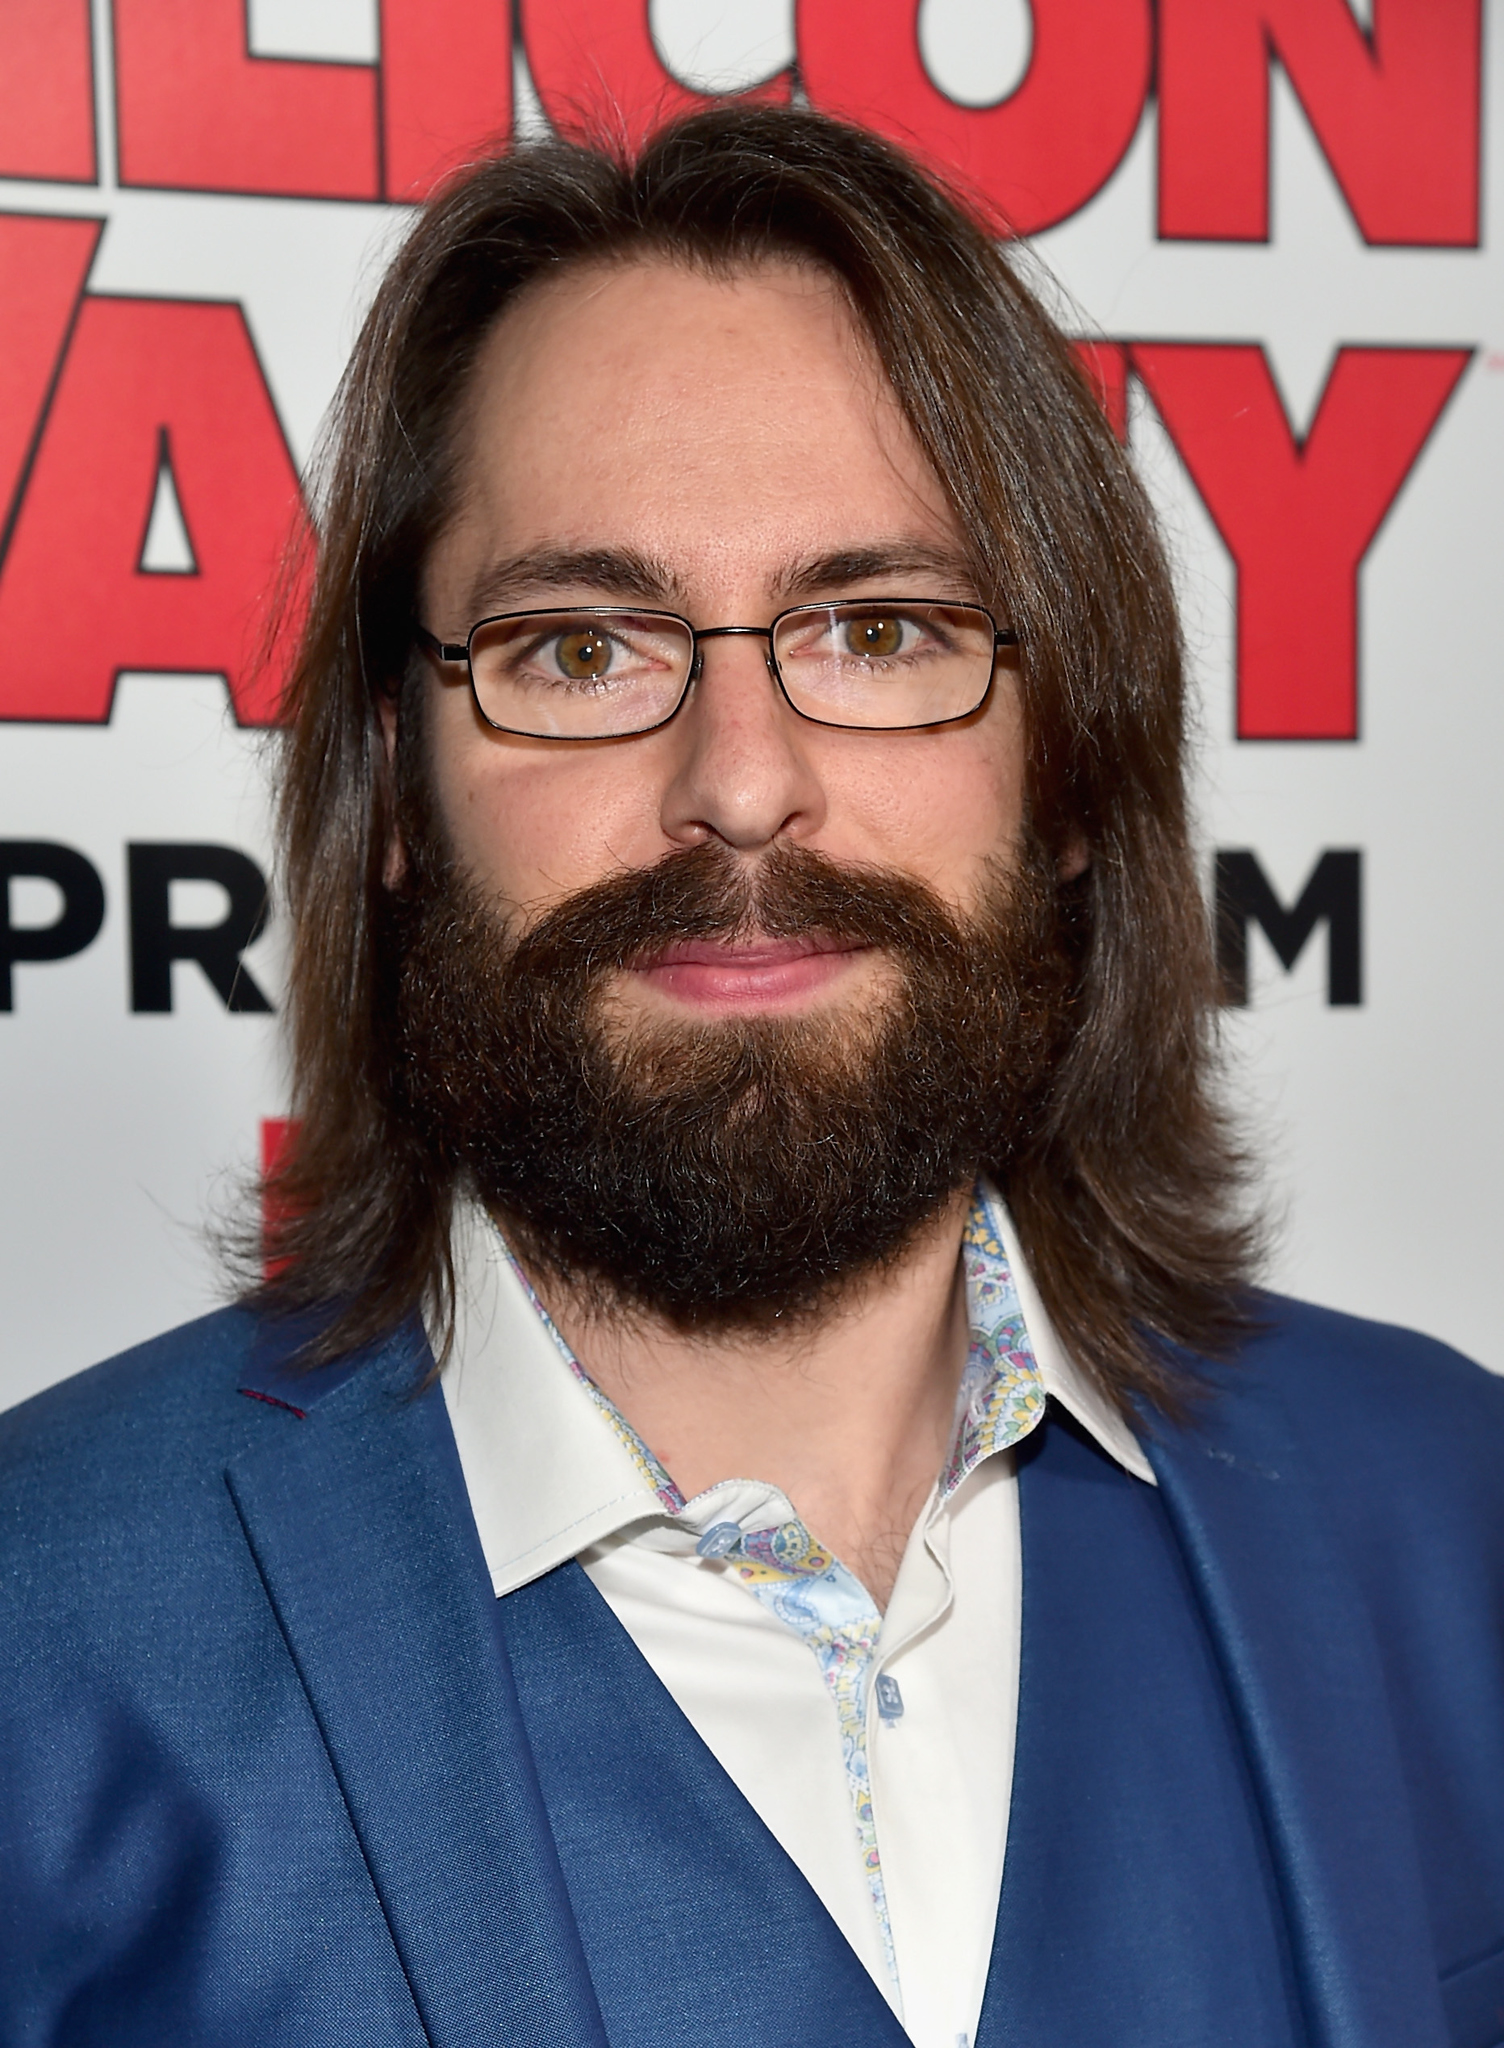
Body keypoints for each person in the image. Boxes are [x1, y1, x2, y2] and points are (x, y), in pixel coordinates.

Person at [1, 104, 1500, 2048]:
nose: (735, 778)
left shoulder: (1451, 1520)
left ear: (1062, 770)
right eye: (575, 648)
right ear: (394, 785)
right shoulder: (42, 1647)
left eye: (876, 631)